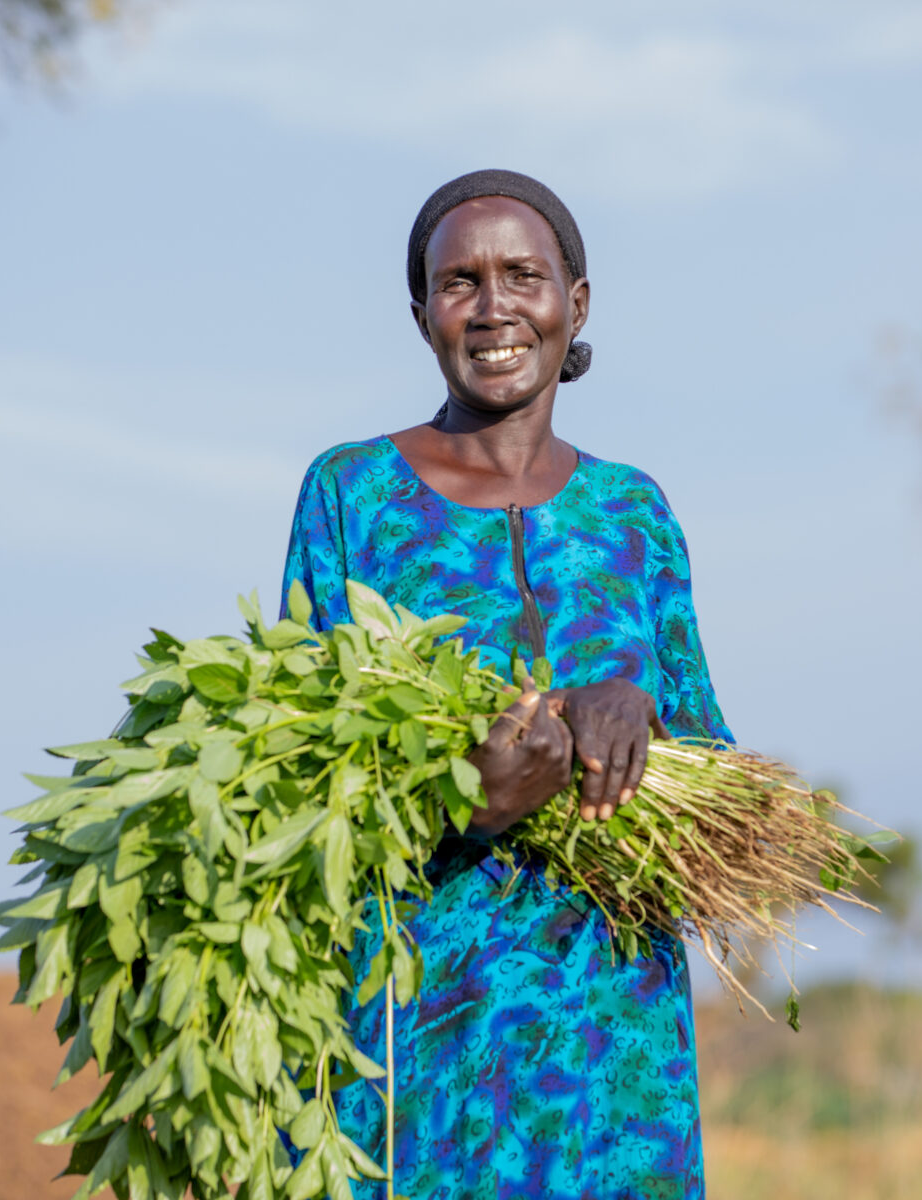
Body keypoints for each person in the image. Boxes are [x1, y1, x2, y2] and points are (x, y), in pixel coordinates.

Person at [280, 169, 732, 1200]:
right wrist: (467, 810)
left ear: (574, 302)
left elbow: (710, 761)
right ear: (422, 316)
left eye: (522, 275)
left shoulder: (634, 512)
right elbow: (305, 777)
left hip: (613, 1050)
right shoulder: (352, 493)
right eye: (460, 282)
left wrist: (639, 707)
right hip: (420, 1034)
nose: (492, 307)